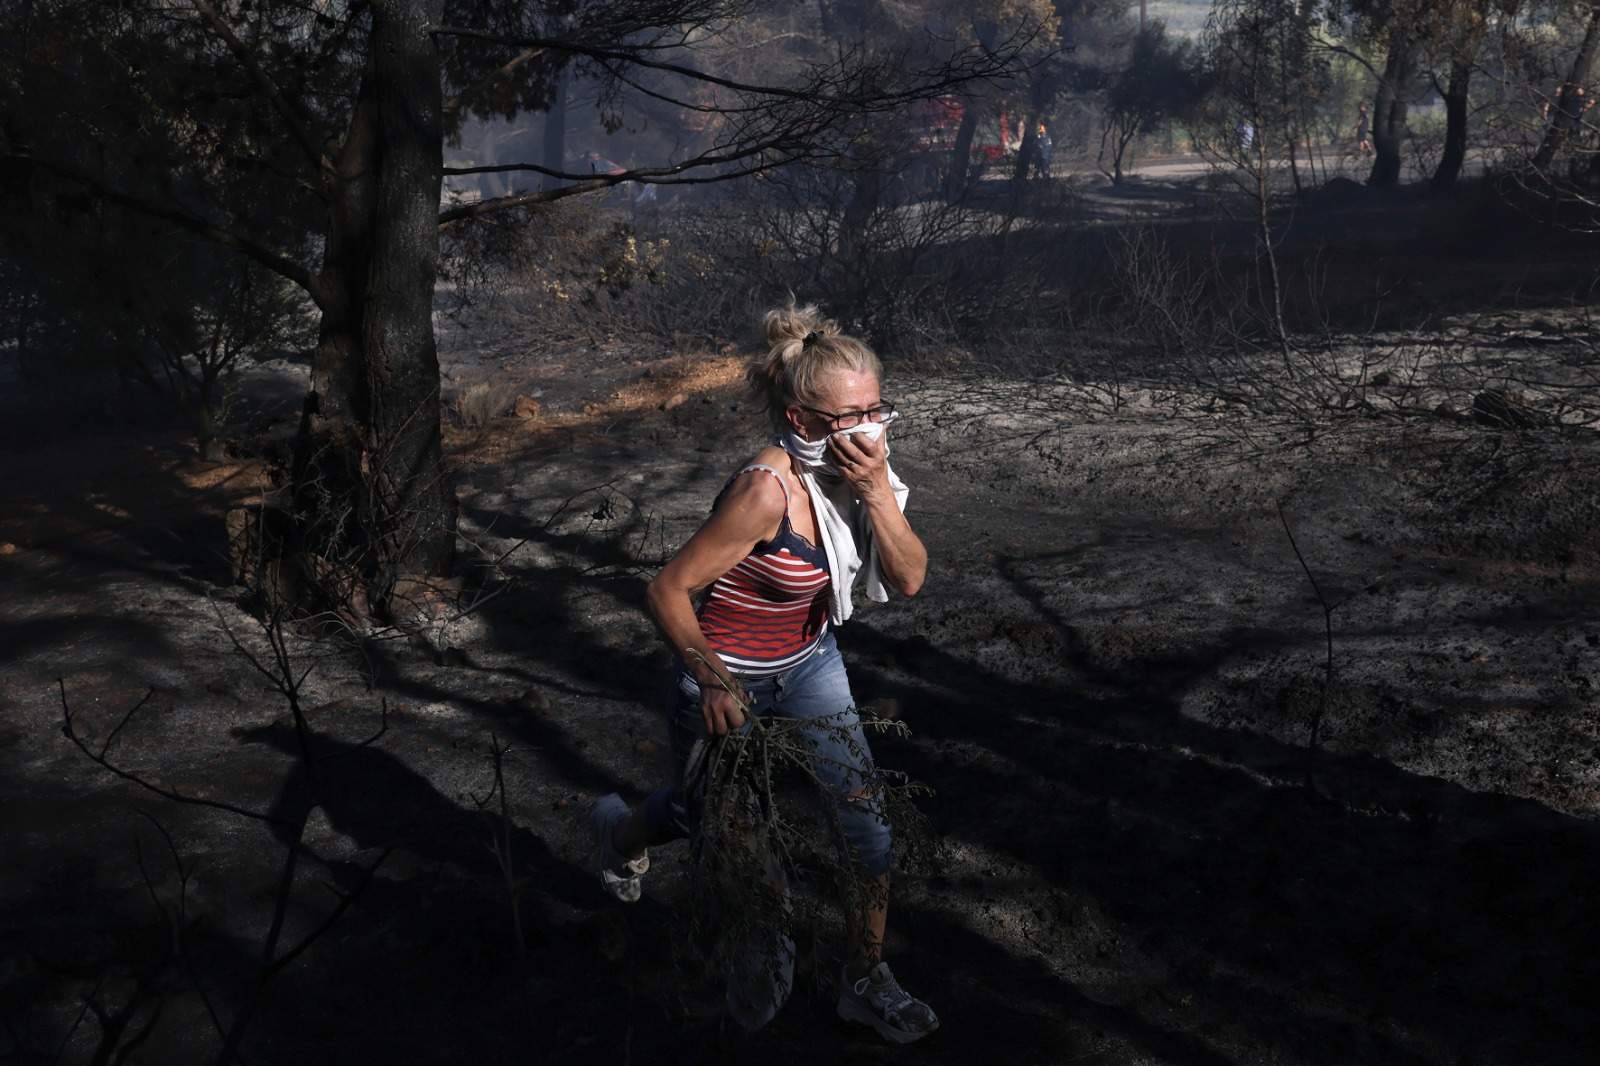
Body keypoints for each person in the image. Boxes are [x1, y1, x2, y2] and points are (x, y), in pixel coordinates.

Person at [590, 302, 938, 1044]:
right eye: (851, 416)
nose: (870, 430)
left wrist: (878, 490)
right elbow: (665, 589)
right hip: (725, 674)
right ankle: (619, 834)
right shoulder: (764, 493)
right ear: (802, 421)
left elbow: (909, 580)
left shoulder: (861, 472)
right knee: (705, 821)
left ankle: (864, 979)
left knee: (868, 832)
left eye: (878, 410)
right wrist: (713, 679)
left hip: (811, 665)